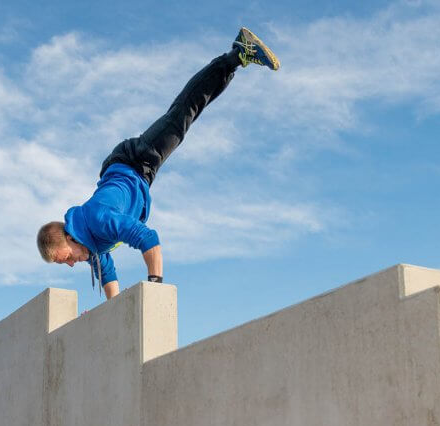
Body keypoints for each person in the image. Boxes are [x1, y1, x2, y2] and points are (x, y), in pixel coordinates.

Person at [37, 27, 280, 300]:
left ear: (69, 237)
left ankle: (237, 54)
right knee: (188, 116)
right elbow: (108, 274)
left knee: (183, 112)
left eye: (66, 258)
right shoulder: (93, 246)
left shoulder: (97, 219)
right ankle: (238, 59)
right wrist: (114, 312)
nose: (72, 264)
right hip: (135, 172)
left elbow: (147, 237)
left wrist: (154, 284)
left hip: (134, 159)